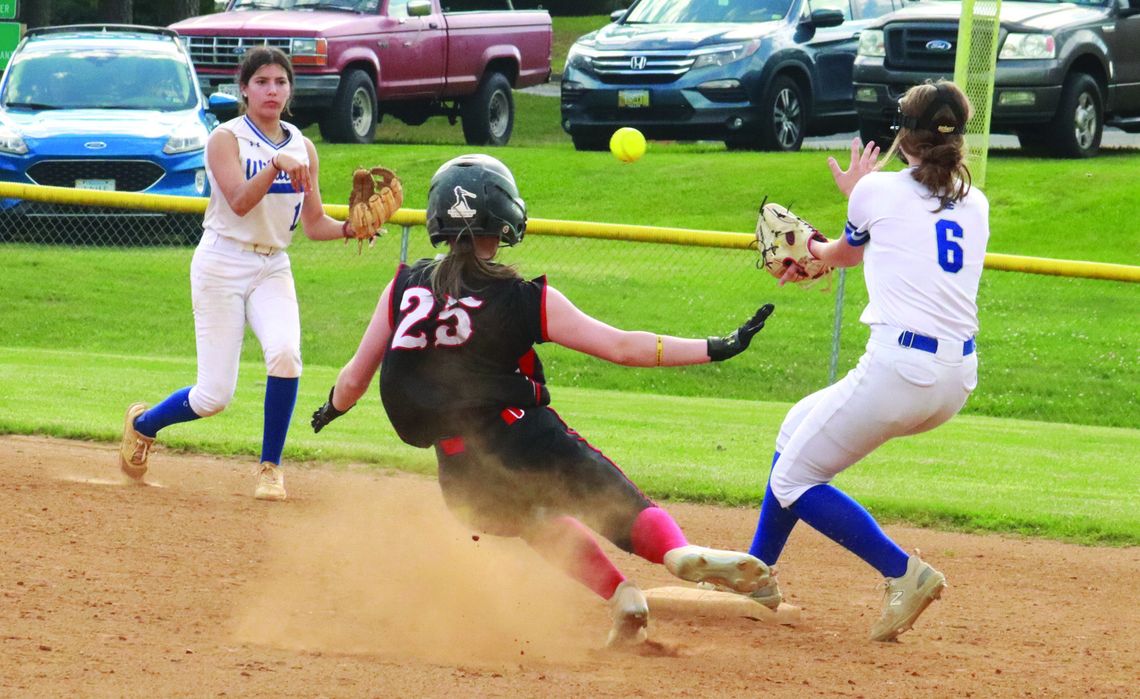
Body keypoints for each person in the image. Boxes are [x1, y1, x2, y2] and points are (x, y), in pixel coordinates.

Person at [309, 153, 777, 647]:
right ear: (507, 216)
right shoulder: (520, 296)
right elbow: (621, 346)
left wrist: (331, 409)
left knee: (536, 524)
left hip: (460, 472)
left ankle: (622, 598)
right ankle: (676, 552)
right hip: (521, 433)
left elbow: (355, 379)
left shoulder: (403, 287)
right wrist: (715, 348)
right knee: (616, 505)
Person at [745, 80, 989, 641]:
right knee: (794, 430)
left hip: (899, 370)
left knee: (794, 479)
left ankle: (903, 571)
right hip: (955, 380)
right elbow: (885, 242)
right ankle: (756, 574)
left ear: (904, 135)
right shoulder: (976, 202)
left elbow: (843, 255)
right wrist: (861, 199)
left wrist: (809, 247)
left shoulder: (875, 193)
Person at [117, 47, 360, 501]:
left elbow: (313, 224)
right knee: (213, 397)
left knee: (286, 354)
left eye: (281, 82)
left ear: (290, 91)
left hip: (273, 265)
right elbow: (240, 201)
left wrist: (350, 228)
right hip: (222, 262)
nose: (272, 90)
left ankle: (270, 467)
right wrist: (274, 165)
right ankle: (143, 424)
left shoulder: (302, 146)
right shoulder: (225, 139)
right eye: (262, 81)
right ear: (243, 89)